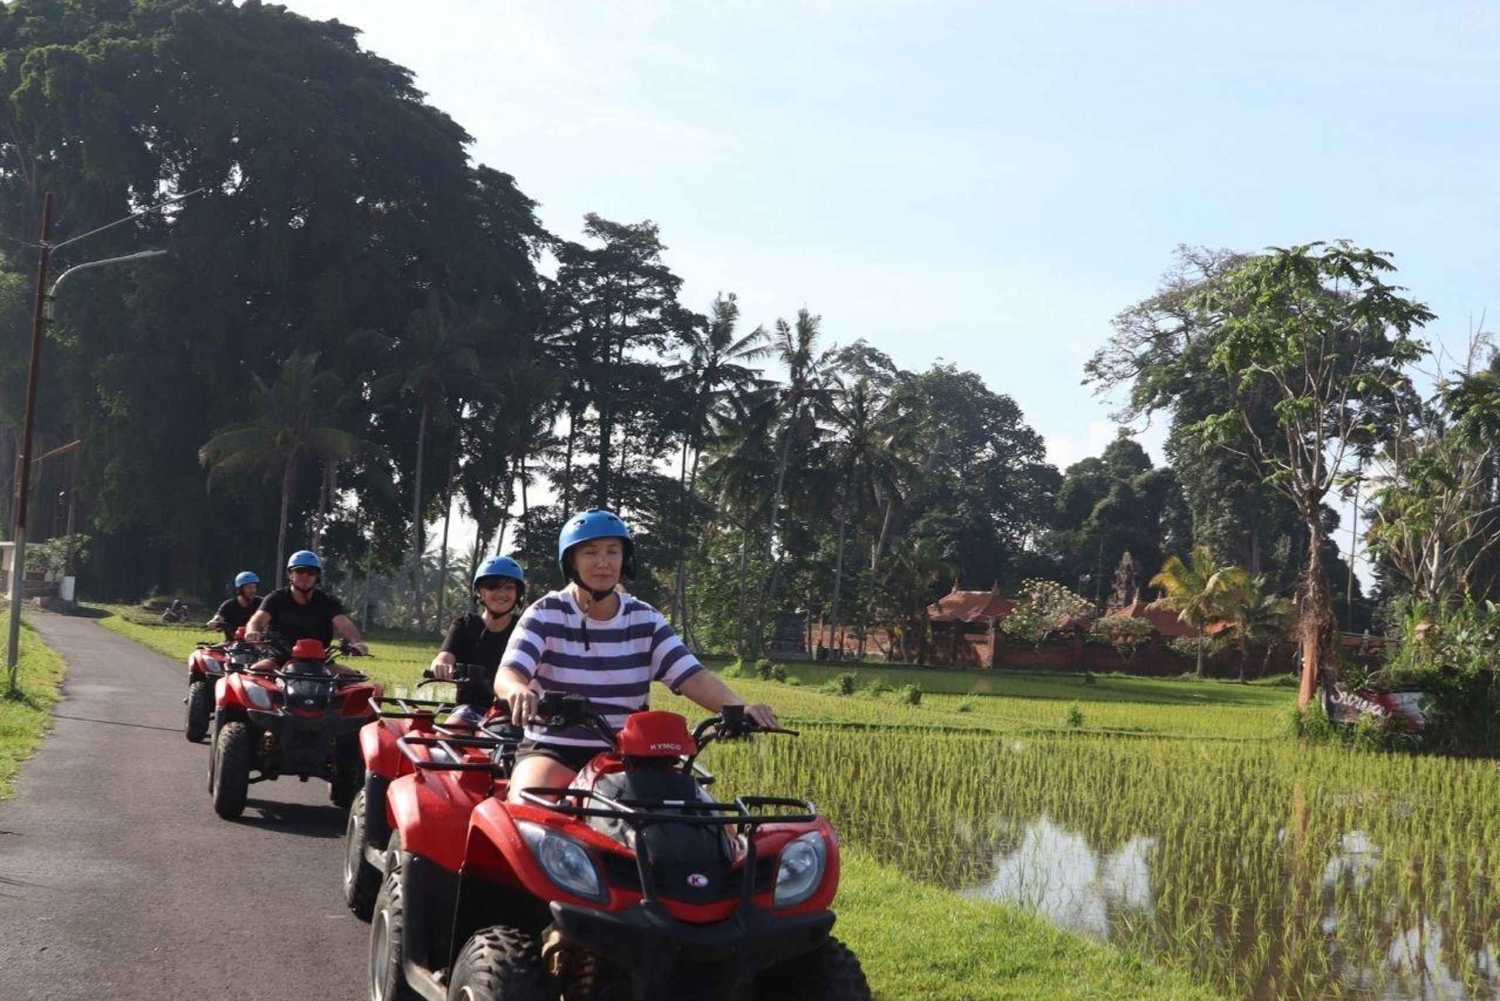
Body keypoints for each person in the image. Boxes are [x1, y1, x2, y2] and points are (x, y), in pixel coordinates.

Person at [495, 509, 776, 803]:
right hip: (555, 749)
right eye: (590, 553)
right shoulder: (545, 613)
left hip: (631, 755)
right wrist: (517, 690)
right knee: (528, 804)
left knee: (702, 817)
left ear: (624, 559)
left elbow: (693, 676)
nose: (603, 562)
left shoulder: (645, 619)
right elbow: (509, 673)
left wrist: (740, 709)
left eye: (612, 551)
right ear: (571, 562)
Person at [428, 556, 526, 727]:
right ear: (479, 591)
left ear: (518, 593)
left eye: (509, 587)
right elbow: (445, 655)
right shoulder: (464, 625)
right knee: (451, 731)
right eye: (493, 587)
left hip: (511, 711)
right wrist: (441, 664)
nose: (502, 593)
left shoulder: (525, 628)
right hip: (470, 708)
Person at [245, 550, 369, 670]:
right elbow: (258, 619)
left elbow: (344, 623)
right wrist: (253, 632)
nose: (305, 576)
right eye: (299, 571)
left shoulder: (328, 601)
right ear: (290, 575)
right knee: (258, 671)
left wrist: (357, 642)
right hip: (279, 659)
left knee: (351, 678)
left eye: (311, 572)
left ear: (317, 577)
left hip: (320, 662)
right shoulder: (276, 598)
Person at [207, 571, 261, 642]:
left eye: (254, 587)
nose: (253, 590)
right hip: (233, 644)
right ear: (240, 589)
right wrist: (213, 623)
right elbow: (217, 619)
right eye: (249, 587)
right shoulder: (228, 605)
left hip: (258, 644)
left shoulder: (261, 603)